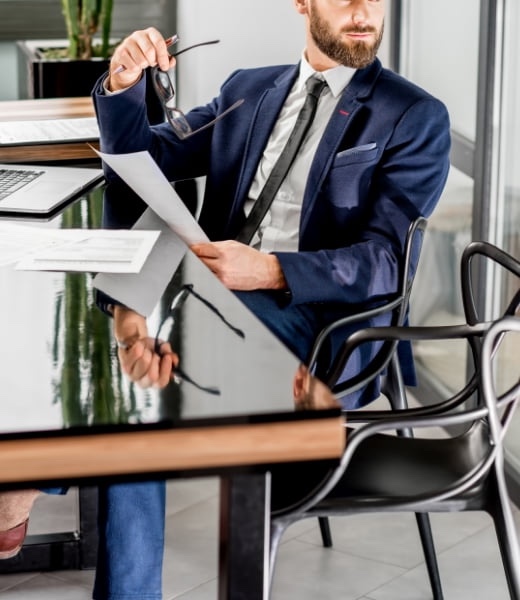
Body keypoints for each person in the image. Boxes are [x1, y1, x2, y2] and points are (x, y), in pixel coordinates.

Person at [0, 1, 451, 598]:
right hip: (209, 295)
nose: (364, 10)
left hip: (319, 318)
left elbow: (386, 260)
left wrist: (269, 269)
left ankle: (32, 477)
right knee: (81, 321)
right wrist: (123, 84)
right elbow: (148, 157)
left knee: (144, 385)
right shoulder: (251, 89)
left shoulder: (413, 114)